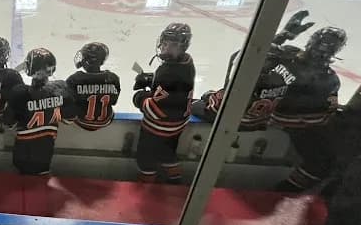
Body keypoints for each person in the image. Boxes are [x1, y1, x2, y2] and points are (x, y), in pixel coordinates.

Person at [190, 11, 315, 131]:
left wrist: (281, 37)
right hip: (259, 121)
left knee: (198, 102)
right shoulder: (289, 77)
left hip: (233, 119)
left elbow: (238, 57)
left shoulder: (252, 78)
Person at [271, 26, 345, 192]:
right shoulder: (329, 79)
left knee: (329, 159)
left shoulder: (288, 55)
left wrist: (282, 37)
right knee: (322, 162)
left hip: (286, 119)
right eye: (322, 44)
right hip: (293, 123)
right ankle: (285, 191)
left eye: (328, 46)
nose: (323, 49)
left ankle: (285, 191)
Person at [133, 23, 195, 184]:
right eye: (166, 43)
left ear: (183, 46)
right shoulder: (187, 62)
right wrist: (152, 80)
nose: (166, 48)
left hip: (159, 127)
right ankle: (175, 181)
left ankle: (146, 188)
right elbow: (173, 91)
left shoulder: (168, 72)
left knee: (145, 159)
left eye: (173, 45)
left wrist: (140, 97)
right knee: (168, 153)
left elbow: (155, 110)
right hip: (178, 124)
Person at [5, 48, 73, 175]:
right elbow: (69, 119)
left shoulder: (19, 92)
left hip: (21, 154)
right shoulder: (61, 89)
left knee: (18, 181)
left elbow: (9, 123)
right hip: (45, 154)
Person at [66, 42, 120, 131]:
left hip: (81, 120)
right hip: (105, 121)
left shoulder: (74, 79)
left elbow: (67, 101)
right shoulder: (112, 78)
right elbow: (114, 101)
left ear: (87, 61)